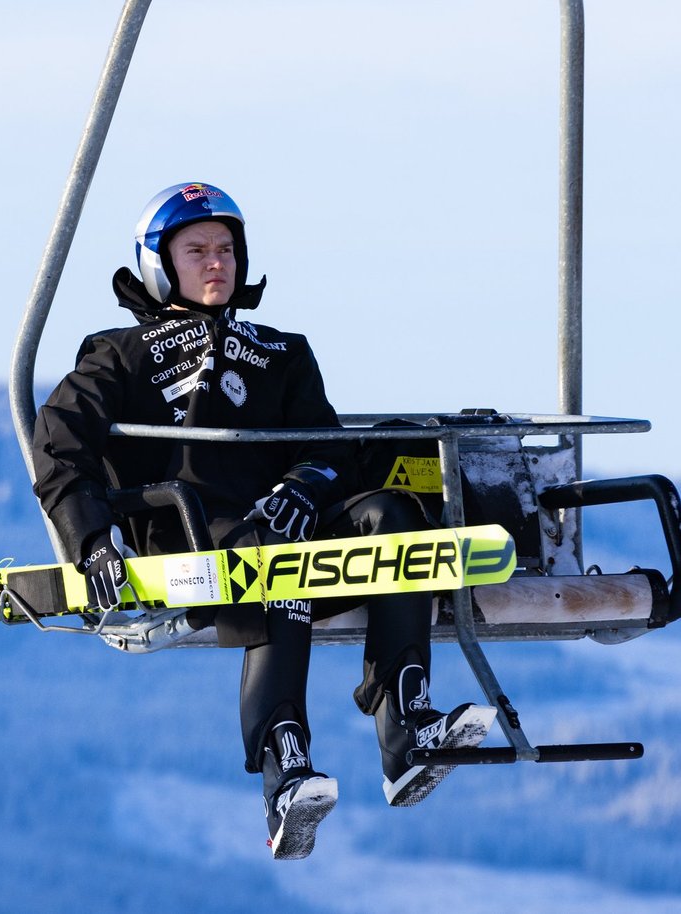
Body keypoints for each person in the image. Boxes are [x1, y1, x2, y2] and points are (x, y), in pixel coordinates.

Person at [32, 181, 495, 860]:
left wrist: (306, 483)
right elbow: (58, 443)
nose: (216, 262)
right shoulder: (119, 354)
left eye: (226, 249)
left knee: (391, 517)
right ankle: (286, 766)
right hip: (193, 531)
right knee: (281, 559)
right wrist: (92, 537)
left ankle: (407, 727)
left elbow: (326, 443)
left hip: (289, 520)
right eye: (197, 251)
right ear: (161, 263)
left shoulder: (281, 352)